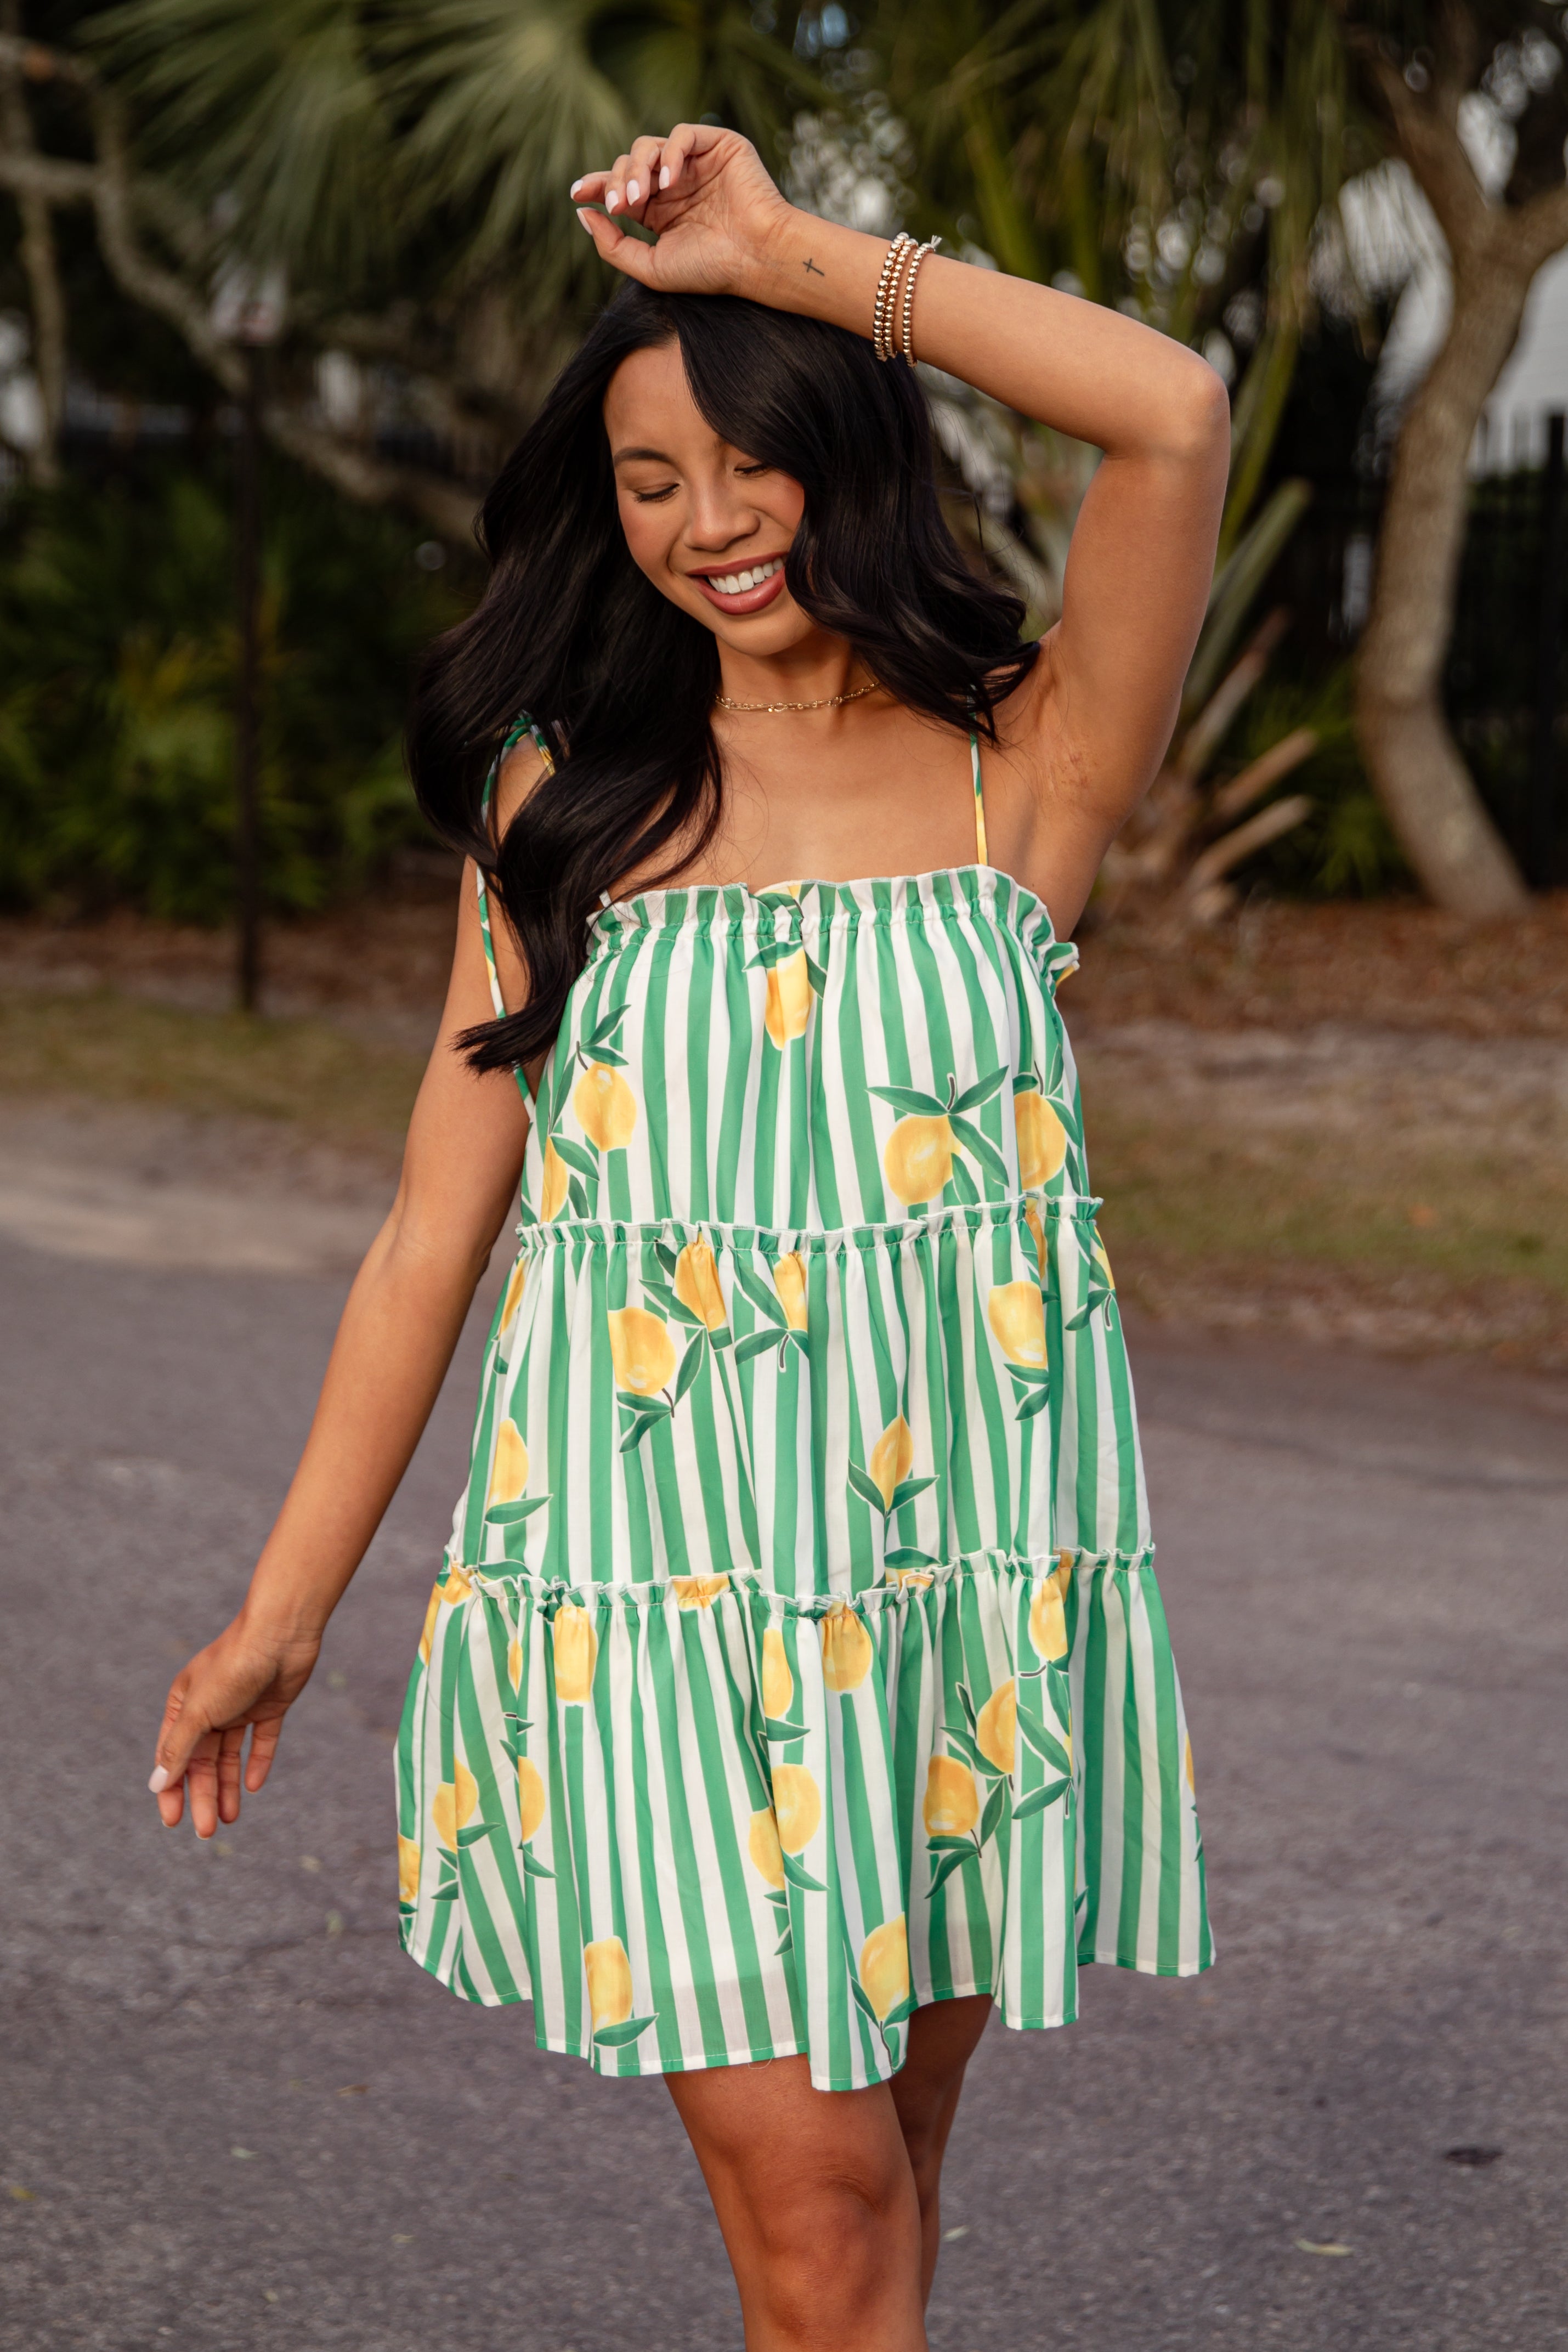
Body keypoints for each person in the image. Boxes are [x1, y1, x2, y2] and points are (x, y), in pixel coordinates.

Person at [148, 123, 1226, 2352]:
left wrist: (782, 256)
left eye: (754, 466)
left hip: (952, 1589)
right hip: (653, 1613)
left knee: (875, 2211)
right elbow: (427, 1243)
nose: (709, 523)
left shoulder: (1021, 772)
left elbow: (1171, 409)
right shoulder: (565, 804)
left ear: (853, 458)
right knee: (830, 2220)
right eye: (650, 482)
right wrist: (281, 1618)